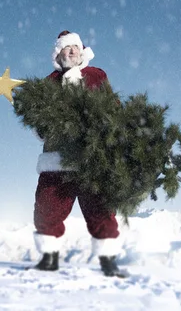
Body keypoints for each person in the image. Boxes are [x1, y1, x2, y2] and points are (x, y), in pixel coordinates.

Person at [32, 30, 127, 277]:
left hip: (91, 159)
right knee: (46, 208)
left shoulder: (96, 76)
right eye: (67, 48)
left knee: (101, 210)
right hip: (56, 160)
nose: (72, 51)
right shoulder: (49, 82)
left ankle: (108, 260)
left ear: (82, 51)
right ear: (58, 53)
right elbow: (39, 121)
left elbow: (112, 109)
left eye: (76, 47)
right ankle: (49, 257)